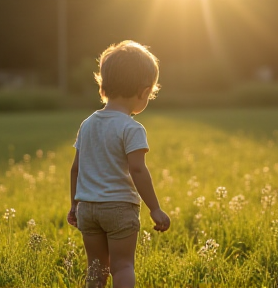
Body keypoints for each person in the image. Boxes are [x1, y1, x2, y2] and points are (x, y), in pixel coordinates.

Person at [67, 40, 171, 288]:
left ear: (103, 85)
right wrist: (154, 208)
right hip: (119, 208)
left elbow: (75, 169)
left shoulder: (88, 124)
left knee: (96, 268)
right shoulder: (131, 128)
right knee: (122, 266)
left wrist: (74, 205)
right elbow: (137, 169)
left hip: (88, 208)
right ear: (145, 92)